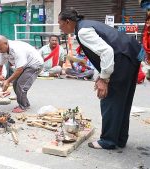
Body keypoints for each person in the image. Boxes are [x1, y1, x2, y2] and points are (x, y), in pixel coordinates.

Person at [58, 9, 141, 149]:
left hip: (121, 58)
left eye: (60, 24)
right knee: (122, 101)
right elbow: (99, 55)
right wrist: (101, 76)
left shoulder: (83, 31)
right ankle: (119, 139)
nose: (60, 27)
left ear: (68, 21)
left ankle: (108, 141)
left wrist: (104, 79)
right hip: (130, 55)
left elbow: (106, 52)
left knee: (110, 99)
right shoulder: (87, 24)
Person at [0, 35, 44, 113]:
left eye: (0, 49)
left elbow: (19, 69)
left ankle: (24, 106)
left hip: (35, 65)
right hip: (25, 65)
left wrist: (7, 81)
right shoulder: (2, 49)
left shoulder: (16, 49)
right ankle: (24, 103)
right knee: (15, 84)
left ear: (6, 43)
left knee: (21, 85)